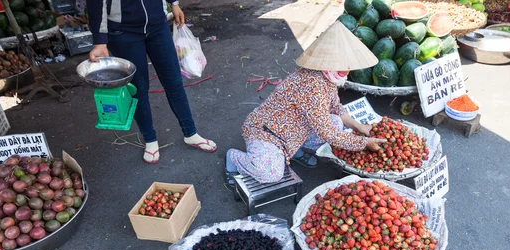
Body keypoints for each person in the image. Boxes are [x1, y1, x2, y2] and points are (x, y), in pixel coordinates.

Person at [224, 22, 385, 186]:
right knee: (270, 174)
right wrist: (363, 143)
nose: (349, 68)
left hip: (293, 129)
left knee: (336, 122)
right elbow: (326, 133)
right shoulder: (313, 86)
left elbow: (336, 108)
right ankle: (234, 159)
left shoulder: (328, 77)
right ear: (331, 61)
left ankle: (292, 151)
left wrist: (358, 127)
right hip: (267, 132)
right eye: (346, 63)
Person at [87, 0, 217, 164]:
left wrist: (174, 3)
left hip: (158, 26)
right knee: (138, 89)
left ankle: (191, 134)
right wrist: (100, 41)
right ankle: (150, 139)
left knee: (174, 82)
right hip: (123, 32)